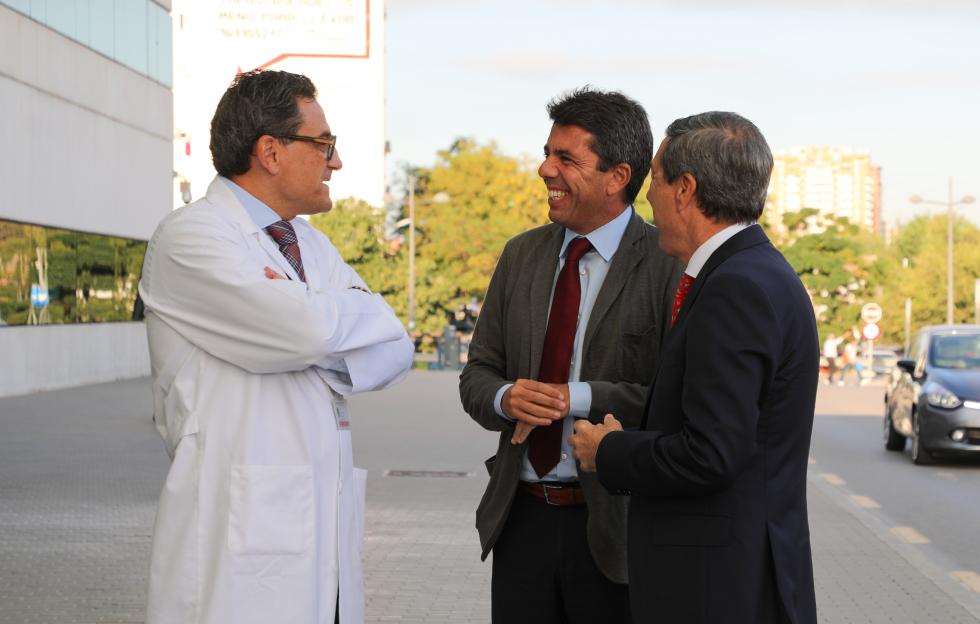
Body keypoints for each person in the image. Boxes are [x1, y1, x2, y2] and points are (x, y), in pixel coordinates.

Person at [139, 69, 414, 624]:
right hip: (233, 550)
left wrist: (306, 328)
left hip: (319, 544)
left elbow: (394, 346)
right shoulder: (190, 236)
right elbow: (309, 331)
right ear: (270, 151)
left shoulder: (310, 244)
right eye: (324, 144)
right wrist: (327, 330)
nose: (336, 162)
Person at [570, 111, 819, 624]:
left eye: (656, 180)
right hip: (732, 577)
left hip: (716, 589)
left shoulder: (735, 288)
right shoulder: (755, 272)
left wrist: (609, 450)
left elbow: (711, 454)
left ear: (685, 189)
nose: (647, 196)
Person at [458, 87, 682, 623]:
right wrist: (506, 398)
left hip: (616, 529)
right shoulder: (520, 255)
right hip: (521, 522)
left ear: (617, 176)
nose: (545, 170)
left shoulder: (668, 264)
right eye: (546, 153)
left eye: (566, 158)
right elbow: (477, 375)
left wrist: (573, 398)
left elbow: (673, 400)